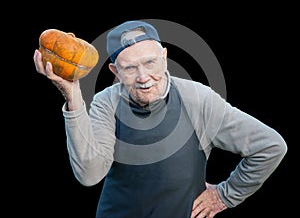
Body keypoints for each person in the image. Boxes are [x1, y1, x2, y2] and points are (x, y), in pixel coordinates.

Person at [33, 20, 287, 218]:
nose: (143, 76)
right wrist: (73, 94)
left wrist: (225, 196)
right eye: (130, 68)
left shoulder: (196, 98)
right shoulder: (106, 101)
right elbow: (89, 175)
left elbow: (270, 146)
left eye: (150, 62)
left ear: (164, 57)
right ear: (115, 72)